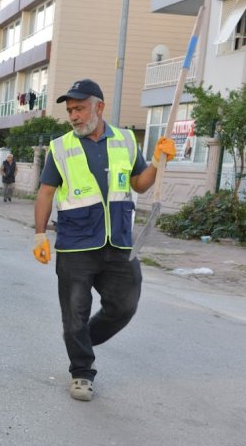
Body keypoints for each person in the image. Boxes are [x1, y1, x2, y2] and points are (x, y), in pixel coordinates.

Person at [32, 79, 175, 402]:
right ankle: (81, 371)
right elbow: (46, 193)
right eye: (70, 110)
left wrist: (156, 162)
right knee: (75, 313)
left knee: (124, 305)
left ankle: (81, 340)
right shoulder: (60, 147)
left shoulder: (125, 141)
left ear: (99, 106)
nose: (74, 116)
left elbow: (139, 185)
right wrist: (40, 233)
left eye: (80, 108)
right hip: (76, 245)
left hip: (120, 242)